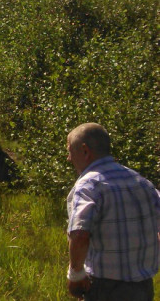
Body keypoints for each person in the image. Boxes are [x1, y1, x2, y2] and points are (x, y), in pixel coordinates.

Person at [65, 123, 160, 300]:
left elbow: (79, 234)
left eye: (70, 151)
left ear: (85, 151)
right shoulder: (141, 182)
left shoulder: (88, 185)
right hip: (143, 287)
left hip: (105, 289)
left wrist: (76, 275)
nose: (69, 158)